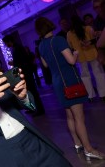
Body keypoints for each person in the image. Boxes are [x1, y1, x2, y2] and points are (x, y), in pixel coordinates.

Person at [35, 16, 105, 160]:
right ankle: (89, 149)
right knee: (79, 117)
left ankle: (78, 143)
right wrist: (75, 53)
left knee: (70, 116)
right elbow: (71, 61)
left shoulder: (40, 46)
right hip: (70, 80)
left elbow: (46, 65)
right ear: (50, 25)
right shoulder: (59, 40)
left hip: (57, 82)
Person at [2, 35, 45, 116]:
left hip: (26, 73)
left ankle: (39, 110)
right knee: (30, 92)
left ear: (9, 41)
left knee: (33, 92)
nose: (5, 45)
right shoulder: (17, 47)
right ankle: (34, 108)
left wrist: (13, 63)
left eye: (5, 43)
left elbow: (21, 62)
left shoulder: (17, 48)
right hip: (26, 72)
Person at [67, 15, 105, 101]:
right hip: (92, 53)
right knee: (99, 73)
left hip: (80, 57)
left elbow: (70, 46)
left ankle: (90, 96)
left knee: (85, 76)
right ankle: (103, 94)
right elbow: (95, 39)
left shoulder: (69, 34)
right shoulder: (88, 28)